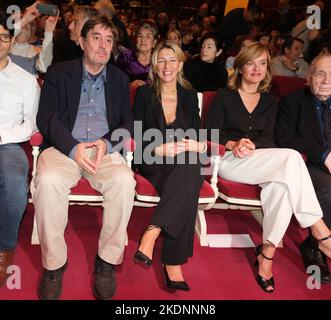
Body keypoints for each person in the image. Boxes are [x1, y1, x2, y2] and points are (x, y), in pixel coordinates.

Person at [205, 42, 331, 292]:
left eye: (262, 63)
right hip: (229, 160)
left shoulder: (270, 101)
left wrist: (251, 145)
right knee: (293, 158)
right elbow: (209, 134)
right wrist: (233, 144)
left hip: (261, 160)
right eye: (251, 62)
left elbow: (271, 139)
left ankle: (267, 254)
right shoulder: (224, 97)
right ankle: (321, 231)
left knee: (282, 188)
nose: (257, 68)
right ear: (240, 67)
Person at [33, 15, 136, 300]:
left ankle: (106, 262)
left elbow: (127, 123)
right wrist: (72, 147)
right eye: (96, 38)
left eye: (109, 39)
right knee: (49, 179)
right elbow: (47, 118)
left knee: (125, 182)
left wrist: (107, 143)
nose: (103, 45)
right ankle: (54, 265)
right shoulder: (59, 72)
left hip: (103, 151)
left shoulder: (119, 79)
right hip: (65, 147)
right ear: (82, 41)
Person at [132, 41, 206, 291]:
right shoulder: (144, 94)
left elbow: (197, 137)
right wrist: (157, 148)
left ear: (180, 64)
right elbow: (136, 136)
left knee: (189, 166)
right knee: (191, 175)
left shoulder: (188, 95)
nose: (167, 66)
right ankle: (173, 262)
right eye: (161, 60)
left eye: (172, 60)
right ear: (154, 65)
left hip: (183, 160)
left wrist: (196, 146)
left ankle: (153, 231)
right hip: (153, 159)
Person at [275, 53, 331, 283]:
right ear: (308, 76)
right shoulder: (292, 101)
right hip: (308, 164)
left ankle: (312, 241)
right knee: (328, 191)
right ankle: (319, 245)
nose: (327, 80)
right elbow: (285, 137)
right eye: (320, 73)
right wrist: (323, 154)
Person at [0, 12, 40, 286]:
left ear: (11, 43)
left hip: (9, 143)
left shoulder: (25, 79)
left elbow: (32, 124)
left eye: (3, 37)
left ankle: (5, 247)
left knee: (15, 183)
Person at [116, 22, 157, 88]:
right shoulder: (125, 57)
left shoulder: (158, 60)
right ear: (136, 40)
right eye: (140, 36)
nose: (143, 40)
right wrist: (130, 85)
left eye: (148, 36)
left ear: (154, 43)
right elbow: (116, 80)